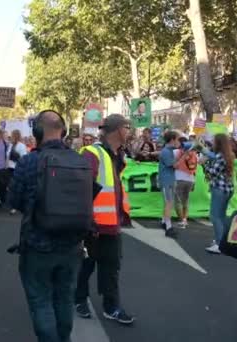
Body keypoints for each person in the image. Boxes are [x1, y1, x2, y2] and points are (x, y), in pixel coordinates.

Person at [9, 110, 86, 342]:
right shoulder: (80, 160)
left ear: (37, 132)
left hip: (37, 244)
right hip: (72, 244)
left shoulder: (28, 161)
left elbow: (14, 200)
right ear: (63, 131)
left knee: (41, 300)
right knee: (64, 298)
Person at [75, 114, 135, 325]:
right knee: (86, 265)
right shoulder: (93, 153)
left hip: (111, 224)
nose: (129, 131)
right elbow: (82, 188)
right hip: (94, 225)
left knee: (111, 267)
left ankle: (111, 306)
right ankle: (78, 299)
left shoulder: (117, 155)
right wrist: (88, 219)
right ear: (119, 129)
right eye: (127, 127)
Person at [203, 133, 235, 254]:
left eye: (215, 141)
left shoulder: (221, 156)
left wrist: (204, 163)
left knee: (215, 216)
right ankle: (221, 240)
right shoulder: (229, 155)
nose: (213, 143)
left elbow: (212, 172)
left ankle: (219, 243)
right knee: (221, 216)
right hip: (227, 188)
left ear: (219, 143)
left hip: (219, 189)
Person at [158, 130, 181, 238]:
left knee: (168, 203)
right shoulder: (167, 151)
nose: (179, 142)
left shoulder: (169, 150)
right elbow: (174, 165)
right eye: (177, 139)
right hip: (166, 181)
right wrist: (185, 155)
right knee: (169, 203)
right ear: (172, 140)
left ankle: (164, 222)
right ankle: (168, 227)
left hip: (169, 180)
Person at [173, 137, 198, 228]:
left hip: (179, 179)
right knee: (185, 201)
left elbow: (174, 165)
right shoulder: (194, 154)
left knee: (178, 201)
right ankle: (185, 220)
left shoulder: (177, 152)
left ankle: (181, 220)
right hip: (190, 179)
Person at [7, 129, 28, 215]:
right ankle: (13, 205)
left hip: (17, 168)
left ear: (16, 136)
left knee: (16, 188)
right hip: (10, 168)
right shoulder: (10, 145)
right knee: (11, 188)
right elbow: (7, 155)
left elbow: (23, 158)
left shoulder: (21, 146)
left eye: (12, 135)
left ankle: (16, 206)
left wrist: (16, 157)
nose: (11, 136)